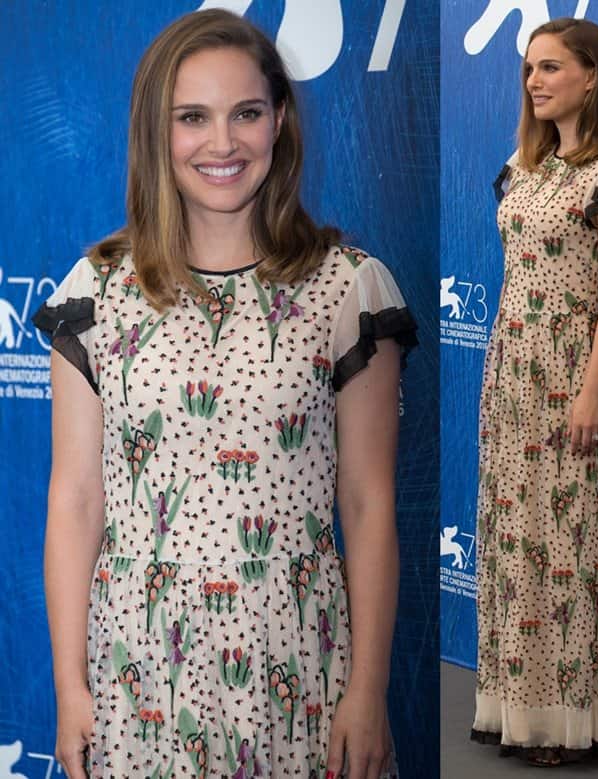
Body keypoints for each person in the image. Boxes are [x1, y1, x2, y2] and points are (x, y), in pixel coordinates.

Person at [32, 9, 417, 779]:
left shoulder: (348, 288)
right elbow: (75, 500)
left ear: (279, 120)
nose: (223, 143)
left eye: (246, 112)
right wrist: (71, 687)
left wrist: (367, 691)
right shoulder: (98, 291)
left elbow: (369, 504)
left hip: (298, 668)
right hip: (136, 673)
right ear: (156, 132)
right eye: (192, 118)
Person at [471, 18, 598, 766]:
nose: (535, 81)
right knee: (519, 546)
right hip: (513, 374)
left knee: (576, 547)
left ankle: (577, 719)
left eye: (550, 67)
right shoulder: (524, 165)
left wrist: (589, 396)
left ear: (593, 75)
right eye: (528, 69)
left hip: (579, 376)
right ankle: (523, 713)